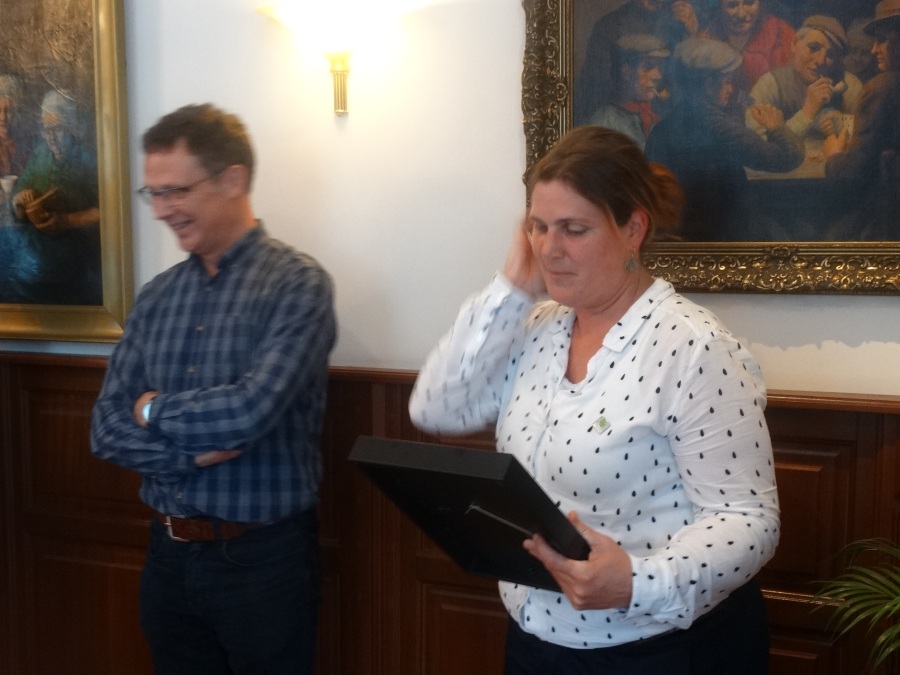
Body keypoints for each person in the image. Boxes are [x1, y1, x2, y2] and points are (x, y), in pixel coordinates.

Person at [409, 126, 780, 674]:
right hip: (536, 634)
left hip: (659, 648)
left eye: (574, 229)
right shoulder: (536, 329)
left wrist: (639, 582)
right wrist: (512, 285)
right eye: (538, 227)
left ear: (633, 229)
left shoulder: (693, 347)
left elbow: (749, 518)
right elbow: (434, 408)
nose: (549, 248)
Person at [91, 103, 337, 674]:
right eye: (152, 194)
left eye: (176, 191)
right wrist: (187, 456)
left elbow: (249, 412)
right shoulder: (156, 297)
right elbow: (103, 428)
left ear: (233, 179)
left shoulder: (298, 286)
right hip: (166, 557)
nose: (161, 210)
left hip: (263, 562)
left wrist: (151, 411)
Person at [644, 37, 804, 240]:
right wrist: (776, 126)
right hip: (718, 235)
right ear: (708, 84)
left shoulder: (664, 127)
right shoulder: (716, 126)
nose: (731, 89)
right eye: (727, 81)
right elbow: (787, 156)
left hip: (682, 232)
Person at [8, 89, 101, 304]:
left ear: (71, 128)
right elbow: (15, 202)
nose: (51, 137)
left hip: (76, 268)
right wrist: (21, 200)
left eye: (57, 129)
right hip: (34, 265)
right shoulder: (40, 155)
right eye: (45, 129)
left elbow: (110, 212)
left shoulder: (87, 159)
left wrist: (67, 221)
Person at [822, 0, 900, 240]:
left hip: (885, 223)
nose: (874, 50)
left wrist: (834, 155)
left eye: (882, 40)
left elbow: (850, 178)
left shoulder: (883, 88)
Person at [575, 0, 701, 125]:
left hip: (666, 120)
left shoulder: (678, 23)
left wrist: (690, 37)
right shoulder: (609, 26)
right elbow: (593, 91)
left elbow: (687, 88)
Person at [746, 15, 863, 142]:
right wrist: (807, 112)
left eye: (830, 55)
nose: (820, 61)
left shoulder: (850, 85)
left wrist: (843, 125)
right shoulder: (770, 84)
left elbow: (864, 138)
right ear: (794, 43)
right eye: (813, 48)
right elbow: (759, 146)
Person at [588, 34, 671, 148]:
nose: (658, 76)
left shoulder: (659, 116)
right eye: (648, 67)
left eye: (660, 68)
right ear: (627, 72)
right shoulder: (604, 120)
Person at [700, 0, 795, 89]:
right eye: (732, 5)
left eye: (749, 3)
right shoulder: (707, 36)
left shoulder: (780, 34)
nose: (741, 14)